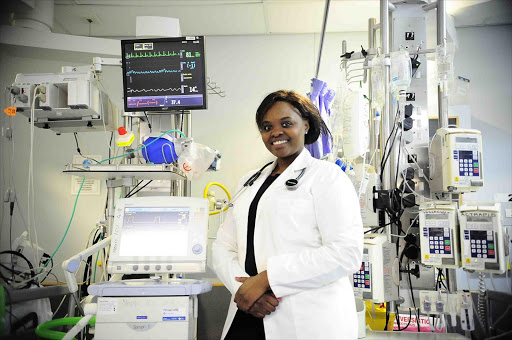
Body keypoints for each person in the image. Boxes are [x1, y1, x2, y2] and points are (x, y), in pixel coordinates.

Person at [212, 90, 363, 340]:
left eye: (286, 123)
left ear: (306, 125)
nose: (275, 133)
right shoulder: (248, 182)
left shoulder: (327, 177)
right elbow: (222, 246)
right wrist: (244, 289)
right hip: (248, 312)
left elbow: (346, 253)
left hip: (307, 321)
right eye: (266, 127)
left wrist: (268, 279)